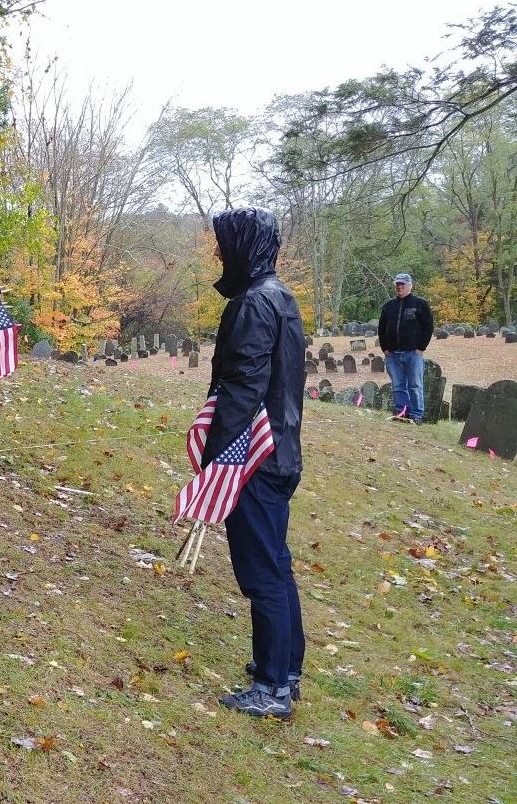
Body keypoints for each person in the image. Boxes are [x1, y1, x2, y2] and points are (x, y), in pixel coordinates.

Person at [206, 207, 306, 719]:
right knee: (277, 562)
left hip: (256, 457)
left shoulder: (253, 305)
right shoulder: (281, 297)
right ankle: (286, 668)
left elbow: (241, 390)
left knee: (262, 571)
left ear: (245, 246)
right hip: (284, 452)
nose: (218, 252)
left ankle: (274, 687)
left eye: (225, 243)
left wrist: (215, 457)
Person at [377, 273, 434, 423]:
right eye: (397, 284)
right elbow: (381, 328)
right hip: (393, 354)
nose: (400, 287)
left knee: (415, 385)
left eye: (403, 284)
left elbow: (428, 327)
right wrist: (385, 349)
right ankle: (401, 411)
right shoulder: (388, 306)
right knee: (398, 385)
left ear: (410, 286)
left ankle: (416, 415)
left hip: (413, 353)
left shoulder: (420, 304)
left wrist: (421, 348)